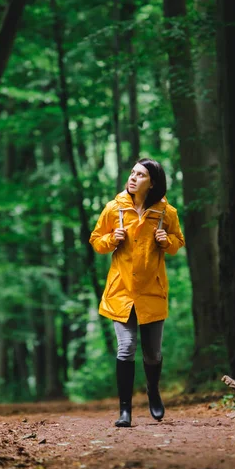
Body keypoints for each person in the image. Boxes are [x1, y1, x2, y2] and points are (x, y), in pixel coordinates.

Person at [89, 158, 185, 427]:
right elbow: (96, 241)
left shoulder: (167, 213)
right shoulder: (113, 208)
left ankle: (153, 392)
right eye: (132, 173)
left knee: (152, 353)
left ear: (152, 182)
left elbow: (178, 242)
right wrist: (112, 239)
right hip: (121, 290)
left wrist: (167, 242)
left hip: (152, 290)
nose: (132, 178)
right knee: (126, 347)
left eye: (140, 175)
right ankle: (124, 410)